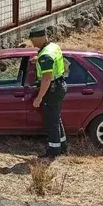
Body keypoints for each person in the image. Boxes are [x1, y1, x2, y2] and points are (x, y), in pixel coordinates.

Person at [30, 27, 68, 158]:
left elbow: (46, 79)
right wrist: (39, 60)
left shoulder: (45, 56)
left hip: (52, 89)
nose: (31, 42)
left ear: (40, 38)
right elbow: (52, 63)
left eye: (33, 39)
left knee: (51, 121)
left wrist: (39, 98)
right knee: (56, 118)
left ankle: (53, 151)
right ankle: (62, 146)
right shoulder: (53, 47)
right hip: (59, 85)